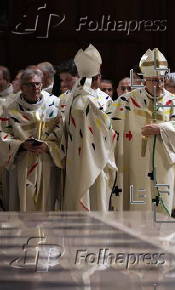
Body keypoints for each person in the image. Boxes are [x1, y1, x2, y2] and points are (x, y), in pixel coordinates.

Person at [108, 48, 175, 215]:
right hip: (132, 160)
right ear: (144, 78)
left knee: (162, 207)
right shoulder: (126, 101)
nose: (157, 84)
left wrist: (161, 128)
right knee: (136, 203)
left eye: (160, 80)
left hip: (163, 161)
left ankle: (163, 241)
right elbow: (110, 129)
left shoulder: (173, 101)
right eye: (152, 80)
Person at [63, 44, 117, 211]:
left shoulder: (71, 98)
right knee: (96, 201)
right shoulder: (91, 102)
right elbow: (108, 131)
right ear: (98, 77)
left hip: (76, 160)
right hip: (97, 160)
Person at [0, 68, 63, 211]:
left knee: (46, 201)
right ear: (21, 87)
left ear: (42, 84)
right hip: (21, 162)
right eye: (30, 84)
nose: (35, 88)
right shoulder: (10, 107)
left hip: (47, 161)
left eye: (37, 84)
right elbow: (3, 134)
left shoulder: (54, 104)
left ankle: (45, 233)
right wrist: (20, 145)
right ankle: (23, 233)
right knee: (22, 202)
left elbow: (61, 133)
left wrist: (48, 146)